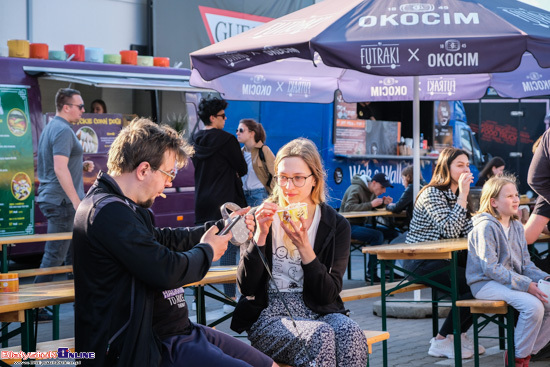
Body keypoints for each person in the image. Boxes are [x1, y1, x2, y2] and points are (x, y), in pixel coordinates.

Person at [73, 118, 276, 367]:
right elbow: (164, 269)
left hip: (180, 331)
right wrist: (208, 250)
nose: (169, 183)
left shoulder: (126, 207)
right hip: (143, 345)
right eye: (169, 173)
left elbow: (165, 239)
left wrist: (223, 227)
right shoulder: (106, 212)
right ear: (144, 169)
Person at [230, 138, 369, 367]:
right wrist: (260, 236)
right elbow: (246, 287)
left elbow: (328, 294)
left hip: (319, 308)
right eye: (283, 177)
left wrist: (305, 247)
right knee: (320, 335)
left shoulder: (335, 225)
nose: (288, 186)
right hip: (270, 313)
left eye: (298, 178)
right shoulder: (260, 216)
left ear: (314, 180)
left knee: (350, 332)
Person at [404, 147, 484, 360]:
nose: (466, 169)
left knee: (484, 282)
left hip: (446, 259)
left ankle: (458, 335)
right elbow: (449, 230)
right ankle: (441, 339)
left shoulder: (458, 195)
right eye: (460, 165)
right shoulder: (432, 193)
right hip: (420, 261)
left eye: (467, 164)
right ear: (445, 168)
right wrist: (465, 195)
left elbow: (468, 232)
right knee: (472, 286)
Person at [467, 175, 550, 367]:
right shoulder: (485, 226)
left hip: (510, 281)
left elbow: (526, 265)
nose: (515, 199)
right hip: (485, 283)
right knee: (533, 307)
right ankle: (517, 359)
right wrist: (526, 285)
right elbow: (490, 268)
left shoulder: (516, 227)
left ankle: (523, 354)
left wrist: (544, 277)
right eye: (509, 196)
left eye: (516, 195)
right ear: (493, 202)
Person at [35, 88, 93, 305]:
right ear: (66, 107)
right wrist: (78, 202)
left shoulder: (52, 127)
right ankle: (36, 304)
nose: (83, 110)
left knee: (73, 253)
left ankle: (79, 299)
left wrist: (81, 165)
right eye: (80, 106)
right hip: (62, 201)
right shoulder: (63, 131)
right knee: (55, 255)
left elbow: (59, 164)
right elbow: (60, 169)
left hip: (57, 198)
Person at [191, 96, 247, 309]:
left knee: (201, 246)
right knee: (230, 247)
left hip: (202, 200)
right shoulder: (227, 140)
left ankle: (197, 299)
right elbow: (242, 168)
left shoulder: (194, 140)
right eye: (223, 116)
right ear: (213, 117)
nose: (226, 119)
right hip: (225, 201)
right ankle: (229, 298)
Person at [340, 172, 398, 283]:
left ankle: (387, 271)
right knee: (377, 236)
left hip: (360, 224)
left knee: (393, 233)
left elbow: (368, 207)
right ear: (374, 183)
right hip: (348, 227)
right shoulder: (356, 188)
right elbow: (348, 208)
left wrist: (382, 204)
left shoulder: (371, 191)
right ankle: (371, 273)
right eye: (382, 187)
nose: (384, 191)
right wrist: (371, 204)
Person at [236, 118, 276, 207]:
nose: (237, 133)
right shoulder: (240, 152)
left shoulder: (264, 150)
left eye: (241, 130)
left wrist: (274, 195)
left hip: (259, 195)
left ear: (252, 133)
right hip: (243, 195)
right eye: (237, 130)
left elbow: (275, 173)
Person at [387, 165, 425, 244]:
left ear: (408, 177)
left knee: (393, 244)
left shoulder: (412, 188)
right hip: (425, 229)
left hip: (417, 231)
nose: (403, 182)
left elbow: (397, 208)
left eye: (403, 179)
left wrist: (388, 205)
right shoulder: (424, 184)